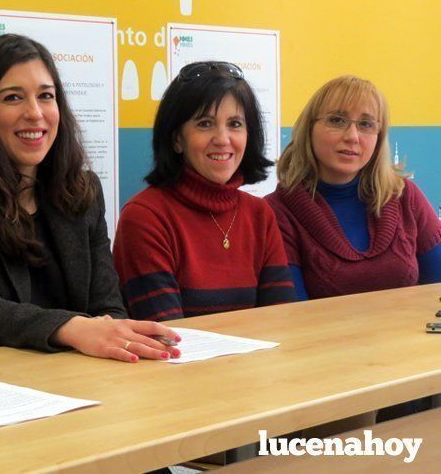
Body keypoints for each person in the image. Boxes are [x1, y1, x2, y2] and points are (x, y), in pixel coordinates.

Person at [0, 34, 180, 362]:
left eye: (46, 96)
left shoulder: (84, 191)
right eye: (13, 97)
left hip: (79, 375)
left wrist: (119, 341)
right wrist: (73, 328)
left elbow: (108, 305)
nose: (35, 113)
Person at [113, 61, 295, 322]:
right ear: (177, 139)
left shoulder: (259, 215)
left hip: (257, 363)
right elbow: (169, 336)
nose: (223, 138)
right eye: (205, 123)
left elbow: (281, 321)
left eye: (234, 124)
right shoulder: (145, 217)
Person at [266, 75, 441, 301]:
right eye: (337, 120)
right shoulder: (277, 213)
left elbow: (436, 292)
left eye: (366, 124)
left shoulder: (405, 196)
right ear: (309, 129)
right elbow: (292, 315)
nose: (352, 136)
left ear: (379, 137)